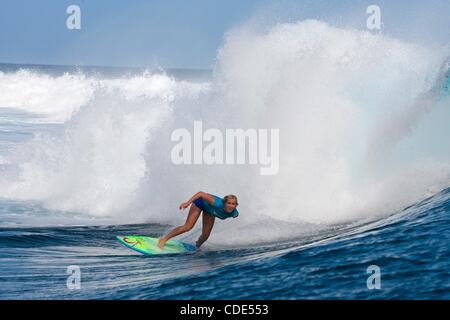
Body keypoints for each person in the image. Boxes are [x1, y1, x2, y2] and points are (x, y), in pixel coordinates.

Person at [158, 191, 239, 250]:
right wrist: (187, 203)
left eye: (233, 204)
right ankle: (163, 239)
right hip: (200, 203)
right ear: (224, 203)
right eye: (229, 203)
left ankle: (197, 247)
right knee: (188, 227)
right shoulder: (217, 203)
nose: (231, 206)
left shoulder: (234, 214)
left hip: (210, 211)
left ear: (236, 205)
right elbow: (201, 194)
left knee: (205, 236)